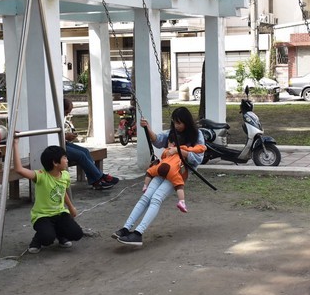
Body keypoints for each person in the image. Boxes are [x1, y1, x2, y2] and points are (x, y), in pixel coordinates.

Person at [113, 107, 205, 246]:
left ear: (187, 122)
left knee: (156, 198)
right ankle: (126, 228)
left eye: (179, 123)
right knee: (146, 197)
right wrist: (147, 127)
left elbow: (197, 159)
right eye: (174, 123)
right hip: (164, 168)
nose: (177, 126)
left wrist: (179, 151)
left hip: (178, 172)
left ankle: (138, 233)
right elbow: (157, 140)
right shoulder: (172, 133)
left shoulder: (197, 135)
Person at [13, 137, 84, 254]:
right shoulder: (41, 176)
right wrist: (15, 144)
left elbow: (62, 192)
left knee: (76, 234)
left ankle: (61, 235)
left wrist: (71, 207)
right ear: (55, 163)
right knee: (47, 238)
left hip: (60, 213)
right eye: (64, 158)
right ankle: (37, 240)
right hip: (42, 216)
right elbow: (19, 169)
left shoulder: (65, 175)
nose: (67, 160)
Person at [143, 133, 207, 213]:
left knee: (150, 171)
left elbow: (163, 156)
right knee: (179, 185)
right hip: (173, 172)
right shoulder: (182, 148)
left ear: (172, 143)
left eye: (168, 142)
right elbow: (195, 149)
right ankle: (181, 201)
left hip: (160, 168)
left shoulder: (168, 150)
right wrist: (203, 147)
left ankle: (145, 186)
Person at [63, 98, 119, 189]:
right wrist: (65, 136)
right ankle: (99, 179)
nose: (67, 114)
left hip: (63, 143)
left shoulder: (61, 116)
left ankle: (97, 179)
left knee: (85, 151)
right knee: (80, 155)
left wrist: (67, 136)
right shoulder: (54, 116)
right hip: (57, 146)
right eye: (67, 112)